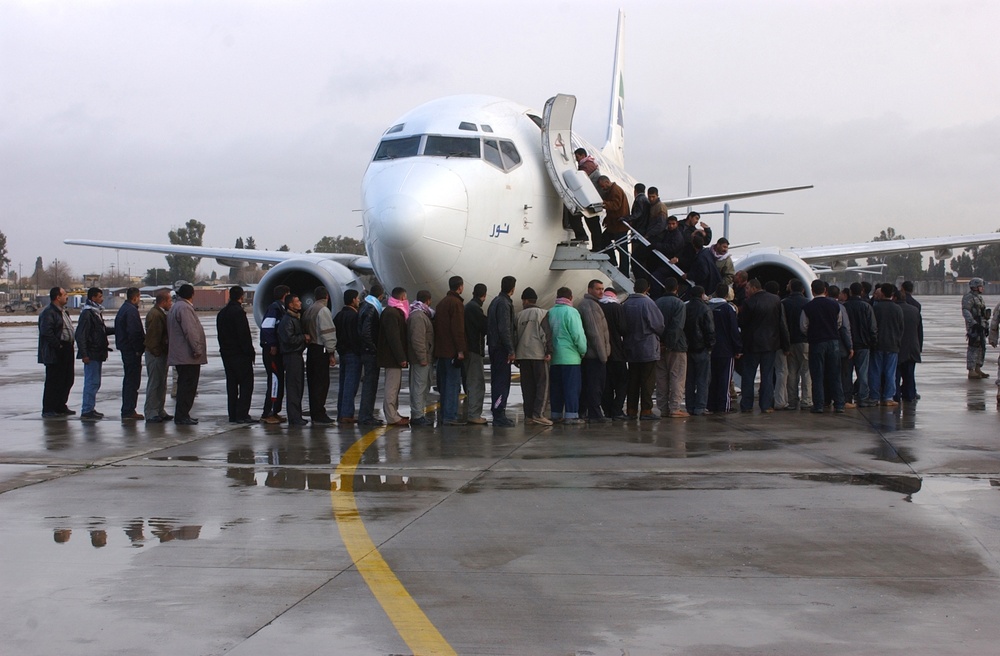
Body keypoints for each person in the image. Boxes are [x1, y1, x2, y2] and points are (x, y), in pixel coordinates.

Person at [738, 278, 790, 413]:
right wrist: (786, 345)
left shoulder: (749, 303)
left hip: (752, 345)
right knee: (767, 376)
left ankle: (747, 405)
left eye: (747, 288)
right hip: (770, 344)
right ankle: (766, 405)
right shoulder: (775, 300)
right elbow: (782, 324)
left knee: (748, 376)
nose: (746, 291)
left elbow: (741, 323)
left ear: (755, 288)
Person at [801, 279, 848, 413]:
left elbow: (803, 326)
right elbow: (839, 323)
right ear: (825, 290)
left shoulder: (808, 307)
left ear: (812, 290)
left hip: (816, 342)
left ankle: (819, 405)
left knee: (817, 375)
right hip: (833, 341)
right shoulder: (834, 305)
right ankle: (839, 404)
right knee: (834, 374)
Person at [623, 278, 665, 420]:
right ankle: (646, 410)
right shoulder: (648, 303)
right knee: (647, 381)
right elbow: (658, 325)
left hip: (630, 347)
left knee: (633, 381)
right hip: (647, 347)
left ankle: (631, 410)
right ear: (647, 289)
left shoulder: (626, 304)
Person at [167, 284, 207, 425]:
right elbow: (190, 331)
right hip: (187, 356)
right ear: (192, 294)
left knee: (184, 385)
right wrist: (197, 349)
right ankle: (182, 415)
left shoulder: (176, 307)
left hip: (180, 355)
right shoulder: (184, 308)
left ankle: (183, 414)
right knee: (187, 386)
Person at [547, 287, 588, 424]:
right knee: (571, 388)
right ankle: (571, 416)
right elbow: (577, 335)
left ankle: (556, 414)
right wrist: (583, 351)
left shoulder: (550, 312)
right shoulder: (571, 312)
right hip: (570, 358)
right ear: (570, 298)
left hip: (554, 358)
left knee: (556, 388)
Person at [217, 285, 255, 423]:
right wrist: (250, 353)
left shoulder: (222, 313)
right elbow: (244, 335)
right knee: (246, 385)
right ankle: (242, 414)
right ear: (241, 296)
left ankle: (232, 414)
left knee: (231, 386)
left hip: (226, 354)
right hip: (240, 354)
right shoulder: (238, 313)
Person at [515, 287, 552, 425]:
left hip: (523, 355)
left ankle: (528, 415)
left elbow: (515, 336)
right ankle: (539, 414)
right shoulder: (542, 314)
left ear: (525, 301)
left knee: (527, 387)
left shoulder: (518, 316)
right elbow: (546, 334)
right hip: (538, 355)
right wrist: (549, 351)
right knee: (542, 385)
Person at [75, 287, 113, 421]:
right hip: (91, 353)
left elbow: (100, 331)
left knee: (95, 382)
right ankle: (87, 410)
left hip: (97, 352)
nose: (102, 299)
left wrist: (116, 329)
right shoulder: (87, 313)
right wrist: (84, 354)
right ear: (93, 298)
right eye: (100, 296)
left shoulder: (96, 313)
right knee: (91, 382)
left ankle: (90, 408)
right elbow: (80, 335)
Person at [434, 276, 468, 426]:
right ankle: (450, 415)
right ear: (460, 287)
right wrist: (461, 350)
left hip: (441, 351)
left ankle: (444, 415)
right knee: (453, 385)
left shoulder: (441, 303)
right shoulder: (456, 304)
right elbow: (458, 329)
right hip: (452, 352)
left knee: (444, 385)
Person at [38, 286, 75, 418]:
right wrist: (58, 346)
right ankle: (49, 408)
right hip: (56, 351)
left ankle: (60, 406)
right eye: (65, 294)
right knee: (53, 380)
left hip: (67, 348)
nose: (67, 296)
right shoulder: (49, 312)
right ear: (57, 297)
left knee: (67, 379)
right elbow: (46, 332)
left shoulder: (62, 311)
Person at [302, 286, 337, 425]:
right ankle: (319, 414)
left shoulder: (309, 310)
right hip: (320, 349)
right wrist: (331, 352)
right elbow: (328, 333)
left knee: (313, 383)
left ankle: (314, 411)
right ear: (327, 296)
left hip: (311, 350)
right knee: (321, 384)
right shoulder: (323, 310)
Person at [376, 287, 410, 427]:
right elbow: (394, 338)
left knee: (395, 387)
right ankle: (391, 416)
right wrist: (401, 357)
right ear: (402, 298)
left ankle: (394, 412)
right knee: (391, 387)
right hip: (392, 358)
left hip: (392, 357)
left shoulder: (393, 312)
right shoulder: (391, 314)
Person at [578, 279, 611, 422]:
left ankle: (586, 411)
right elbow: (595, 333)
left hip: (592, 355)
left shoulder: (592, 304)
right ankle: (595, 414)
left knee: (590, 385)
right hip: (595, 355)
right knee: (595, 386)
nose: (601, 291)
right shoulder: (590, 306)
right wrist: (603, 356)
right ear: (589, 289)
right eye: (598, 289)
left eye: (602, 289)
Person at [655, 277, 688, 418]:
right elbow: (677, 326)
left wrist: (660, 342)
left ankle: (663, 408)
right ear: (677, 288)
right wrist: (669, 344)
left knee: (661, 378)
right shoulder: (679, 304)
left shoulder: (656, 303)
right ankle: (675, 407)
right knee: (677, 377)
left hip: (659, 346)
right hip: (676, 346)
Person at [487, 276, 517, 427]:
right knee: (502, 382)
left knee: (497, 380)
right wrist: (511, 349)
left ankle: (498, 410)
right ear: (513, 288)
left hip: (494, 347)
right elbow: (505, 329)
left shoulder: (494, 301)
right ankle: (499, 413)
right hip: (501, 349)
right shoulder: (504, 303)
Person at [708, 283, 741, 413]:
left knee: (712, 378)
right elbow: (734, 330)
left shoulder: (708, 307)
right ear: (727, 294)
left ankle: (711, 403)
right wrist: (738, 348)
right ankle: (723, 405)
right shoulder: (728, 309)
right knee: (724, 379)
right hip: (726, 349)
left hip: (710, 349)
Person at [869, 283, 904, 406]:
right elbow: (901, 328)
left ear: (882, 293)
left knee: (875, 371)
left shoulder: (875, 308)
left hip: (878, 345)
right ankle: (888, 397)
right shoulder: (897, 309)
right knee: (890, 372)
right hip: (892, 345)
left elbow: (872, 327)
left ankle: (874, 396)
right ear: (892, 294)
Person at [114, 287, 145, 420]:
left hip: (126, 349)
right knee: (132, 381)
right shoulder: (131, 311)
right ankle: (128, 410)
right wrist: (139, 348)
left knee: (129, 380)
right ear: (135, 297)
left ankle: (128, 408)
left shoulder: (124, 309)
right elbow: (134, 332)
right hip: (131, 351)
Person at [844, 282, 877, 407]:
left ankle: (847, 398)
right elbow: (872, 327)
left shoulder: (844, 306)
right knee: (862, 373)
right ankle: (863, 398)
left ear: (850, 292)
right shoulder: (866, 307)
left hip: (848, 346)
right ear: (861, 292)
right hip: (863, 345)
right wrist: (872, 342)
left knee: (847, 373)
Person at [278, 293, 309, 426]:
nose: (300, 303)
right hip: (291, 356)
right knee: (293, 388)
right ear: (290, 304)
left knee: (298, 387)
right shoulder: (288, 320)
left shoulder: (294, 318)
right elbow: (289, 339)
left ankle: (297, 415)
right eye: (297, 301)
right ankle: (294, 417)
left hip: (296, 355)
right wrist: (303, 337)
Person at [259, 284, 289, 424]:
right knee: (274, 381)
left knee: (279, 381)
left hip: (278, 350)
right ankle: (267, 413)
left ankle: (275, 411)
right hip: (272, 351)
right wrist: (272, 344)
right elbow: (266, 327)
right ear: (285, 295)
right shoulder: (274, 308)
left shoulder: (281, 308)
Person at [684, 285, 715, 416]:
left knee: (689, 379)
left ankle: (690, 406)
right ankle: (700, 407)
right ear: (702, 295)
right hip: (701, 348)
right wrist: (710, 346)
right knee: (703, 379)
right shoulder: (705, 309)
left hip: (687, 348)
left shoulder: (685, 307)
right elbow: (710, 330)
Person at [333, 290, 363, 424]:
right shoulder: (355, 317)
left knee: (344, 384)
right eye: (357, 298)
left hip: (342, 353)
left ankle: (341, 412)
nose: (359, 301)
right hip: (353, 354)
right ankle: (347, 414)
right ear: (353, 300)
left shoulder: (338, 316)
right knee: (351, 385)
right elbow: (357, 336)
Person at [781, 278, 811, 410]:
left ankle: (792, 401)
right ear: (803, 290)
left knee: (791, 372)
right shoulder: (808, 303)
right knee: (806, 371)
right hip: (805, 341)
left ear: (791, 288)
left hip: (790, 342)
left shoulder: (784, 303)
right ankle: (807, 400)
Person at [143, 290, 172, 423]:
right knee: (155, 383)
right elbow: (153, 336)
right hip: (155, 354)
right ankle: (151, 412)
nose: (171, 303)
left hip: (160, 353)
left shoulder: (160, 313)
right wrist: (156, 351)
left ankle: (159, 410)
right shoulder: (155, 314)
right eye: (169, 301)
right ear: (164, 301)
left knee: (161, 383)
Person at [358, 284, 385, 425]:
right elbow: (366, 332)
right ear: (381, 296)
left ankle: (365, 414)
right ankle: (365, 416)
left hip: (366, 351)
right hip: (369, 353)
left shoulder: (365, 305)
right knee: (370, 385)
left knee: (370, 384)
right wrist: (373, 348)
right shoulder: (371, 308)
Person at [599, 287, 628, 420]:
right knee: (622, 383)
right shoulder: (617, 308)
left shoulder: (598, 307)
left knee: (607, 384)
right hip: (617, 352)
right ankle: (617, 409)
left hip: (603, 352)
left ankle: (607, 410)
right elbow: (623, 329)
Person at [408, 290, 435, 427]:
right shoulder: (419, 316)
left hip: (424, 357)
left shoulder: (420, 314)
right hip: (421, 359)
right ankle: (417, 415)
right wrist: (422, 357)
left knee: (422, 386)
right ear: (428, 300)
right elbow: (418, 340)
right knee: (419, 387)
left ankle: (419, 413)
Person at [462, 282, 488, 424]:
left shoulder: (469, 307)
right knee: (476, 383)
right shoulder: (475, 309)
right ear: (484, 295)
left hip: (468, 349)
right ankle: (474, 415)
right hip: (473, 350)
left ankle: (473, 413)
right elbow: (485, 327)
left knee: (472, 382)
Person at [597, 175, 632, 277]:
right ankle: (613, 261)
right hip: (614, 226)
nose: (603, 188)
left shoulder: (615, 190)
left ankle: (624, 272)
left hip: (619, 226)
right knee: (604, 240)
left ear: (607, 182)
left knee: (622, 249)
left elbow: (616, 205)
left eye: (603, 186)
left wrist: (604, 203)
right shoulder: (612, 190)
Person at [895, 287, 923, 402]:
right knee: (910, 374)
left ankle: (895, 395)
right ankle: (910, 395)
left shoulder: (895, 310)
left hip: (898, 346)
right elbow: (919, 331)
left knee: (896, 375)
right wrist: (919, 347)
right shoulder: (915, 310)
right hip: (912, 347)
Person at [963, 277, 990, 379]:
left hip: (981, 325)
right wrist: (973, 324)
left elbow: (983, 313)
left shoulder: (979, 298)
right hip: (974, 327)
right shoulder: (968, 297)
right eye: (980, 286)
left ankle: (978, 368)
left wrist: (986, 326)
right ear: (975, 287)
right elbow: (966, 311)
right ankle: (971, 370)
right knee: (973, 347)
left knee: (982, 347)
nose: (982, 288)